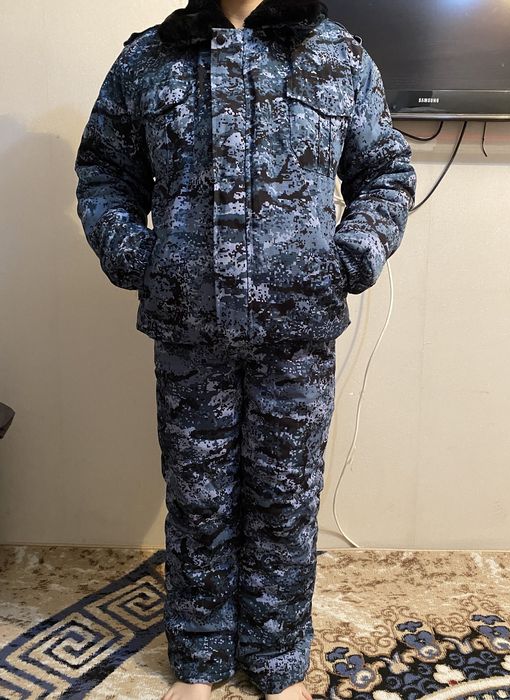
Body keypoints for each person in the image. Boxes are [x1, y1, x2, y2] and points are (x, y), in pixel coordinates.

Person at [73, 0, 417, 699]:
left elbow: (385, 171)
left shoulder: (336, 54)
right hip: (189, 326)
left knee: (285, 497)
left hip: (297, 328)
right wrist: (138, 255)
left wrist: (350, 256)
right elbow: (105, 172)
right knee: (197, 496)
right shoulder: (149, 58)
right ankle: (199, 660)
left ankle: (276, 659)